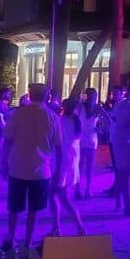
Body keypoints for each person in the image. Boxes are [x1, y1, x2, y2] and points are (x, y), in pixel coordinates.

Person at [3, 83, 61, 253]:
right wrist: (58, 172)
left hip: (17, 167)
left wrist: (2, 163)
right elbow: (59, 148)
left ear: (29, 95)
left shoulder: (18, 114)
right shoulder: (52, 116)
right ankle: (27, 243)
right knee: (33, 210)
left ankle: (11, 239)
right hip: (41, 170)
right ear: (47, 97)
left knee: (14, 208)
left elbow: (7, 140)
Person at [49, 98, 85, 236]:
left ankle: (61, 228)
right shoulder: (77, 122)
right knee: (62, 195)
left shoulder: (60, 121)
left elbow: (54, 141)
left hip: (61, 161)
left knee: (56, 195)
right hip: (72, 161)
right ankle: (62, 227)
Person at [110, 84, 130, 216]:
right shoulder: (127, 105)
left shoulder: (127, 105)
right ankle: (127, 206)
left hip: (124, 141)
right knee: (125, 173)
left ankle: (119, 202)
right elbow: (127, 124)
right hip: (124, 142)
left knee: (121, 173)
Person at [77, 88, 101, 199]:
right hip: (81, 138)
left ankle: (87, 189)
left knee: (89, 166)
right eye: (92, 96)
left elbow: (109, 121)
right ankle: (78, 189)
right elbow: (75, 119)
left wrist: (100, 128)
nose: (93, 98)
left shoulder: (97, 108)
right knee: (80, 165)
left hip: (91, 139)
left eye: (94, 96)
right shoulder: (80, 106)